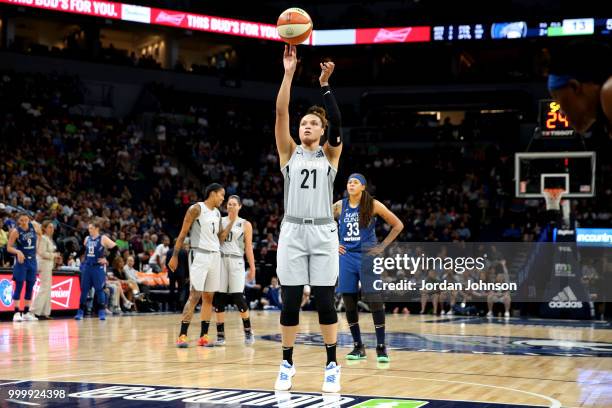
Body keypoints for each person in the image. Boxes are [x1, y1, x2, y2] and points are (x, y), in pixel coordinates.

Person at [273, 45, 343, 393]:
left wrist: (324, 84)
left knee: (325, 301)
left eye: (314, 123)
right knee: (289, 300)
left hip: (323, 232)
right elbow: (281, 111)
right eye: (304, 123)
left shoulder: (331, 155)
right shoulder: (289, 153)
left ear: (322, 130)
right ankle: (287, 363)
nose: (307, 126)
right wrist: (288, 74)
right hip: (293, 231)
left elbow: (338, 122)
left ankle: (332, 363)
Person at [333, 173, 404, 362]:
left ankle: (381, 346)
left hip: (366, 256)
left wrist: (382, 247)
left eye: (355, 182)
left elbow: (398, 225)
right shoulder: (340, 205)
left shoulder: (373, 205)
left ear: (363, 187)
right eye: (349, 182)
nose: (351, 184)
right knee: (348, 301)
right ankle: (358, 347)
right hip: (346, 256)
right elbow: (321, 223)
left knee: (374, 299)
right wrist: (332, 242)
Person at [169, 183, 224, 348]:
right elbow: (182, 233)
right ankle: (182, 335)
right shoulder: (196, 209)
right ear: (213, 194)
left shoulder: (217, 213)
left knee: (209, 297)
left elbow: (220, 237)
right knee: (195, 295)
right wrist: (175, 256)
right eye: (221, 195)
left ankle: (204, 336)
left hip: (215, 255)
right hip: (199, 254)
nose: (223, 198)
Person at [213, 195, 257, 346]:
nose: (231, 206)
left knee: (238, 297)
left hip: (237, 260)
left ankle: (248, 331)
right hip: (221, 260)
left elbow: (249, 248)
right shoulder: (220, 221)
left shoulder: (245, 224)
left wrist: (252, 267)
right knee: (219, 298)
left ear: (240, 206)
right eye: (229, 204)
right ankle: (220, 336)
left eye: (234, 204)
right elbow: (217, 240)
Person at [75, 222, 119, 321]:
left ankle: (101, 312)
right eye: (89, 228)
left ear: (97, 228)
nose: (89, 230)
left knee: (99, 290)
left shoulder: (103, 238)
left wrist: (107, 260)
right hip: (87, 267)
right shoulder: (87, 239)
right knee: (84, 290)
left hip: (97, 268)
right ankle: (80, 312)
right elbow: (82, 250)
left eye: (91, 228)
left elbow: (115, 248)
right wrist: (74, 256)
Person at [7, 214, 42, 321]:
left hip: (32, 260)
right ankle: (16, 312)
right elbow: (8, 247)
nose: (24, 222)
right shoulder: (16, 231)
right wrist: (18, 251)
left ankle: (26, 312)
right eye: (21, 220)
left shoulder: (34, 226)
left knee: (30, 286)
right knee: (19, 285)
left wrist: (37, 248)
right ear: (18, 221)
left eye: (26, 220)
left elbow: (40, 235)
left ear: (29, 220)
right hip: (22, 261)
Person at [32, 221, 59, 320]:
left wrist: (54, 257)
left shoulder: (48, 239)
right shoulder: (42, 238)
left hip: (48, 265)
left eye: (52, 227)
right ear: (44, 228)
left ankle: (44, 312)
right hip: (43, 264)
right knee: (44, 288)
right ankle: (34, 311)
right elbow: (41, 252)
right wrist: (54, 255)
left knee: (47, 289)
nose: (52, 229)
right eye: (50, 227)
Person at [165, 240, 189, 312]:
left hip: (172, 273)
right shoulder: (184, 252)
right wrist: (187, 275)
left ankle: (171, 307)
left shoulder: (169, 252)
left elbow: (167, 264)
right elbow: (186, 264)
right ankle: (180, 307)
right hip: (181, 274)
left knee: (171, 290)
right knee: (180, 290)